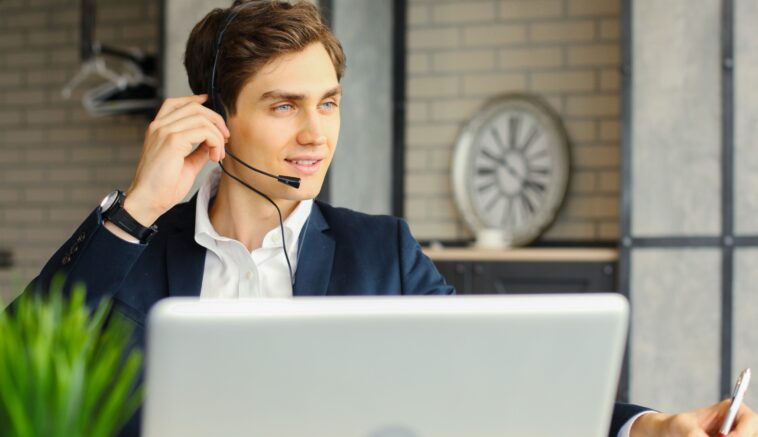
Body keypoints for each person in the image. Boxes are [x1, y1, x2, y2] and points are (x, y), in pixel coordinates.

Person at [20, 1, 758, 436]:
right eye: (285, 106)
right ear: (217, 119)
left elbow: (495, 387)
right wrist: (140, 206)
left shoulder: (382, 251)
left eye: (329, 102)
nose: (317, 134)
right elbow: (17, 370)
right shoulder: (134, 253)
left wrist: (642, 426)